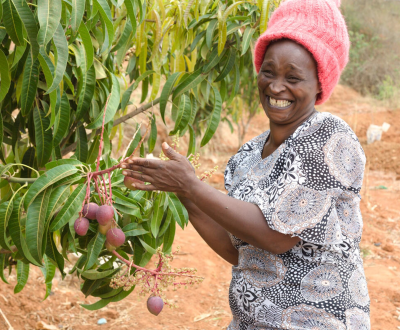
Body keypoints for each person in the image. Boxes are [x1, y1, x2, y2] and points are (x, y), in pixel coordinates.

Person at [121, 0, 371, 328]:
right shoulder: (248, 157)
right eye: (268, 71)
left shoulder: (328, 137)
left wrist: (191, 185)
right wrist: (184, 192)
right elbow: (240, 250)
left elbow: (276, 237)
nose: (276, 86)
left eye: (293, 77)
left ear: (319, 84)